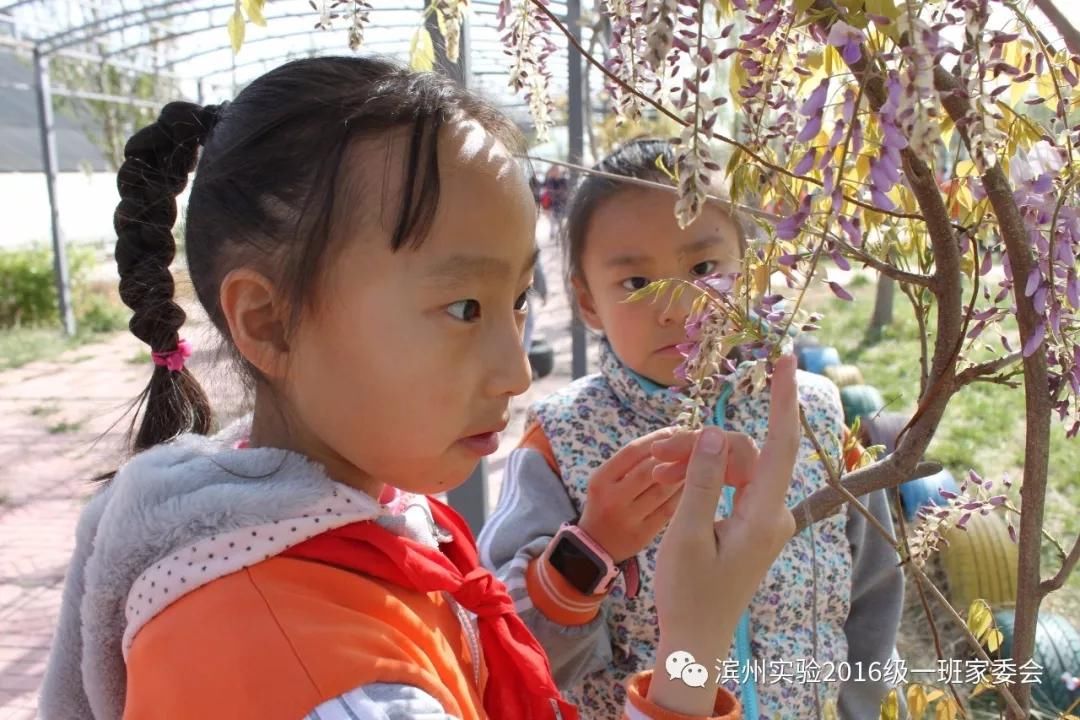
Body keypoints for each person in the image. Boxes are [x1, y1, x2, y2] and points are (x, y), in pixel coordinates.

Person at [38, 60, 804, 720]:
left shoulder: (348, 519)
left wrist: (594, 547)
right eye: (464, 308)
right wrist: (695, 649)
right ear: (269, 322)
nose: (517, 372)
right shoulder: (328, 679)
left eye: (515, 302)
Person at [478, 138, 904, 719]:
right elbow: (510, 644)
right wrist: (591, 549)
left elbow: (873, 593)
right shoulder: (563, 439)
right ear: (588, 302)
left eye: (703, 270)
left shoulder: (815, 415)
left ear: (751, 272)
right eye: (635, 283)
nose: (676, 310)